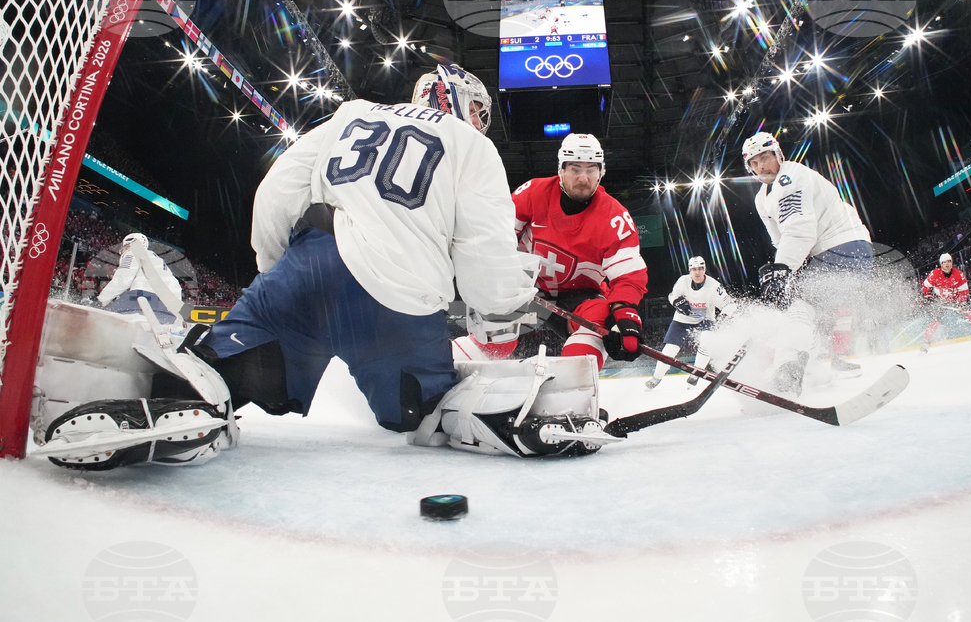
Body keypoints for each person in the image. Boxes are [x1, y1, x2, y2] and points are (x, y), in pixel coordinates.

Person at [39, 65, 610, 469]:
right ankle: (505, 417)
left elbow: (275, 193)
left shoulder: (350, 115)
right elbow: (485, 262)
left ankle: (180, 406)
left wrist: (275, 275)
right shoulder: (473, 148)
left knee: (228, 368)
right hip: (400, 301)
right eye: (479, 110)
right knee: (421, 414)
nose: (481, 121)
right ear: (457, 101)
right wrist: (508, 301)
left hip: (310, 268)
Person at [493, 133, 649, 370]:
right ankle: (467, 357)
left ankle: (574, 381)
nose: (583, 178)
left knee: (601, 318)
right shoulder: (534, 192)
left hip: (577, 297)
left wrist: (625, 314)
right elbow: (498, 239)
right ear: (561, 170)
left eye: (591, 170)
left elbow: (628, 276)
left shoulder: (615, 217)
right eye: (575, 169)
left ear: (601, 172)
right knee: (494, 324)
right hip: (525, 287)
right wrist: (500, 279)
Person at [742, 131, 872, 395]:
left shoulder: (791, 177)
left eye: (764, 158)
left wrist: (781, 272)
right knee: (799, 312)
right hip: (829, 252)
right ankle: (815, 373)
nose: (760, 167)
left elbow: (800, 229)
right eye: (753, 163)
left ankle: (788, 372)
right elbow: (781, 240)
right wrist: (783, 274)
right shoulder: (762, 198)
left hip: (843, 247)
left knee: (797, 308)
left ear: (778, 154)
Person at [646, 256, 734, 390]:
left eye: (700, 269)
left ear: (704, 269)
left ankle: (695, 375)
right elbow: (672, 296)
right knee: (669, 349)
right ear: (689, 271)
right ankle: (656, 377)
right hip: (681, 320)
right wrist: (677, 302)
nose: (697, 272)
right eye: (694, 269)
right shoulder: (683, 281)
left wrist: (724, 315)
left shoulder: (714, 286)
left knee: (707, 340)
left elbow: (730, 304)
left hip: (704, 320)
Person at [97, 233, 182, 324]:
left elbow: (123, 279)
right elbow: (176, 287)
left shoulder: (133, 251)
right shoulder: (160, 262)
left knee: (103, 321)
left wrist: (101, 301)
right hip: (166, 310)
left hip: (142, 299)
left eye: (123, 248)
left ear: (129, 244)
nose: (122, 252)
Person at [920, 253, 971, 353]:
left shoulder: (959, 275)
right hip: (940, 301)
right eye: (944, 262)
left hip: (955, 300)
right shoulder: (935, 273)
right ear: (941, 264)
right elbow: (925, 286)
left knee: (969, 313)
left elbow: (963, 291)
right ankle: (926, 343)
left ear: (952, 262)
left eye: (949, 261)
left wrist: (961, 302)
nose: (947, 264)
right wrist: (928, 297)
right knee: (935, 321)